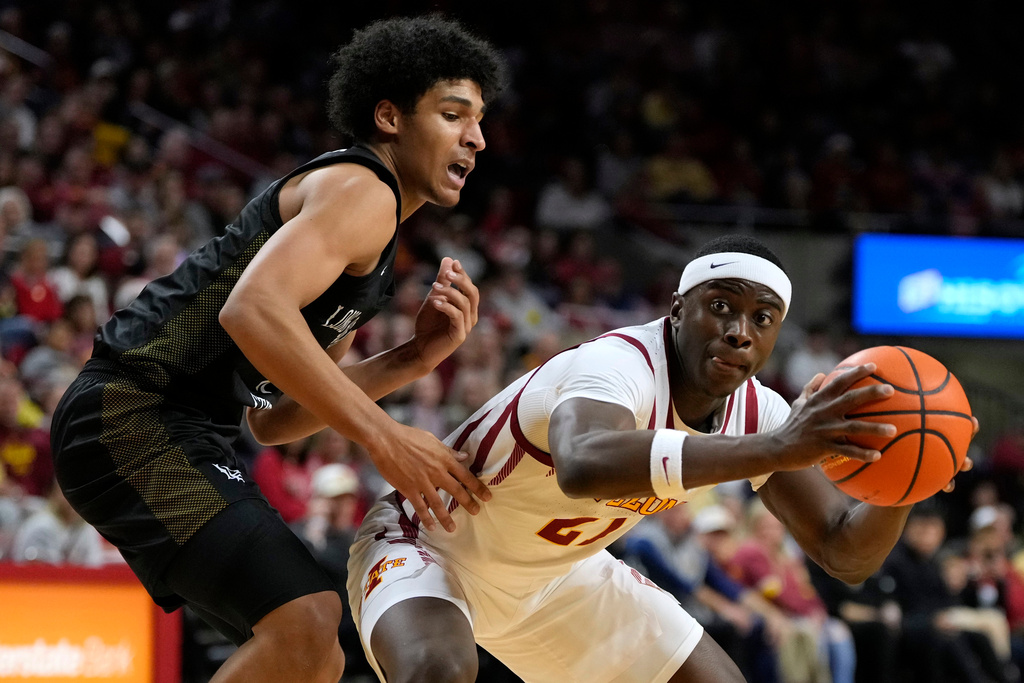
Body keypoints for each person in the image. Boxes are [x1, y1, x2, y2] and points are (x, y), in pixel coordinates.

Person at [49, 15, 505, 683]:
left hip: (177, 427)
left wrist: (413, 358)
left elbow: (276, 416)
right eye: (453, 114)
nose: (477, 136)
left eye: (480, 119)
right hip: (133, 410)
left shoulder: (375, 250)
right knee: (306, 617)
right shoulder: (363, 190)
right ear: (390, 117)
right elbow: (252, 310)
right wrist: (387, 438)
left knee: (313, 647)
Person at [347, 233, 978, 683]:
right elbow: (584, 464)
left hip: (557, 576)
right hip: (428, 543)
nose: (740, 331)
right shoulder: (617, 363)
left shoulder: (759, 411)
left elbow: (845, 552)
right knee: (438, 671)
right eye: (721, 307)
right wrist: (778, 448)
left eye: (762, 319)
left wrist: (907, 478)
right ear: (678, 310)